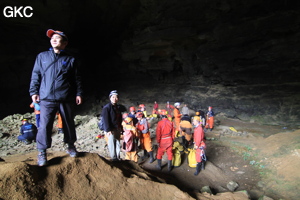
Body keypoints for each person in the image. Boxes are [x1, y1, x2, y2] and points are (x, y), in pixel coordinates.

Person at [29, 29, 83, 166]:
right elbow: (36, 75)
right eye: (52, 37)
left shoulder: (70, 59)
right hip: (46, 98)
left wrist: (79, 93)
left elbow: (77, 79)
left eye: (57, 38)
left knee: (68, 123)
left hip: (65, 97)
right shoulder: (42, 57)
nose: (53, 39)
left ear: (64, 43)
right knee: (44, 125)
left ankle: (70, 145)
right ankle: (42, 152)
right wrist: (33, 92)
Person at [101, 90, 123, 161]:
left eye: (116, 97)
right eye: (113, 97)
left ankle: (118, 157)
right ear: (110, 98)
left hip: (117, 128)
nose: (115, 98)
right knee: (111, 143)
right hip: (110, 129)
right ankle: (114, 158)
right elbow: (105, 119)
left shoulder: (118, 107)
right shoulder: (107, 108)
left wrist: (121, 128)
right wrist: (108, 130)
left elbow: (119, 118)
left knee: (117, 143)